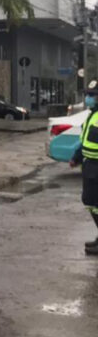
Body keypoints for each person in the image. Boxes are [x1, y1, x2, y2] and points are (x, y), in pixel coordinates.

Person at [69, 83, 98, 255]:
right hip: (90, 166)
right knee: (90, 202)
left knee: (94, 203)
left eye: (92, 95)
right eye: (89, 94)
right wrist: (76, 158)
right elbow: (84, 141)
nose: (89, 98)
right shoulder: (92, 116)